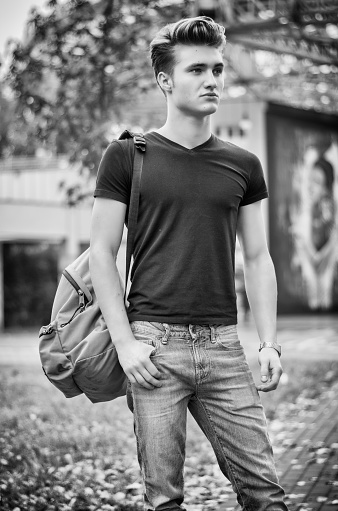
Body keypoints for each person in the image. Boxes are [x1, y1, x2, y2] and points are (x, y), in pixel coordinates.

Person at [90, 16, 288, 511]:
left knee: (266, 495)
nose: (213, 80)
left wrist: (268, 342)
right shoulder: (125, 156)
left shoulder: (243, 164)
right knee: (165, 502)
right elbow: (102, 252)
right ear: (165, 80)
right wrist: (125, 343)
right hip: (153, 351)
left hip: (224, 347)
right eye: (197, 69)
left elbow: (259, 258)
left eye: (218, 69)